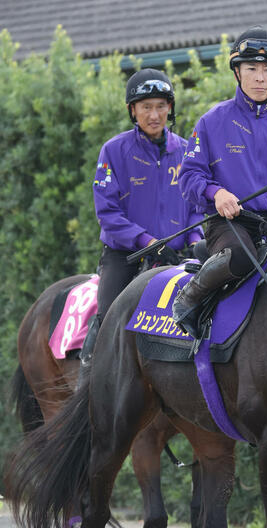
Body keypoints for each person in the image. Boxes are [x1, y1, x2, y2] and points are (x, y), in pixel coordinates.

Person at [172, 26, 267, 337]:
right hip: (230, 225)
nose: (260, 77)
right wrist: (216, 193)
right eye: (252, 68)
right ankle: (189, 297)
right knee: (243, 256)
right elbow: (189, 177)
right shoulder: (211, 122)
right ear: (237, 73)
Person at [79, 68, 203, 370]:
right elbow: (108, 214)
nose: (154, 114)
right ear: (132, 110)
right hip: (126, 256)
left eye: (161, 105)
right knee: (108, 314)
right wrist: (148, 242)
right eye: (146, 106)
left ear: (170, 108)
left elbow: (198, 206)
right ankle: (88, 371)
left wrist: (197, 239)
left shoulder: (188, 151)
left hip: (178, 256)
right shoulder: (113, 151)